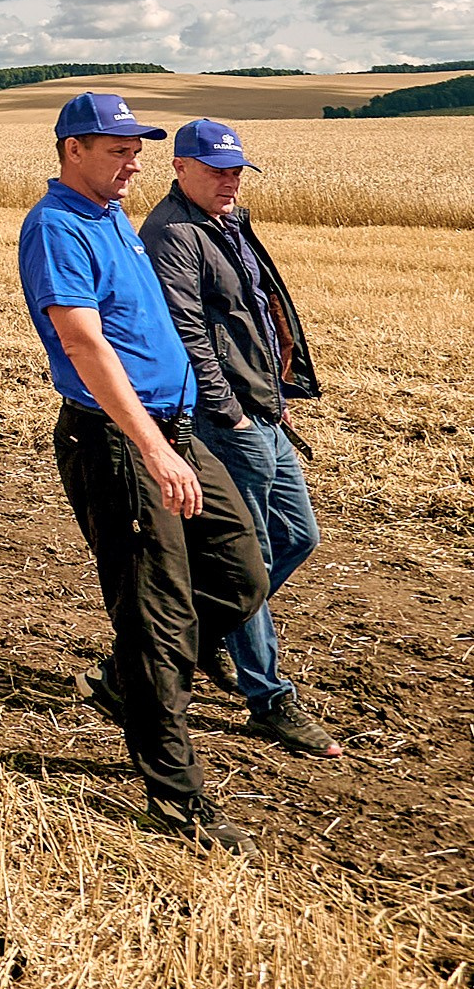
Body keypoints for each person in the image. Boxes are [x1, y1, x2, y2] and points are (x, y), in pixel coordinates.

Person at [18, 90, 267, 848]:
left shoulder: (112, 219)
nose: (133, 164)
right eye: (118, 151)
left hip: (175, 431)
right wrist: (153, 450)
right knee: (156, 617)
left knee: (241, 574)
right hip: (120, 443)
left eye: (136, 152)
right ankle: (176, 798)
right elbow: (84, 344)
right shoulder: (57, 226)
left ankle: (126, 682)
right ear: (73, 150)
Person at [140, 119, 338, 761]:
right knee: (245, 557)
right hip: (230, 422)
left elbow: (260, 316)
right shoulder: (173, 234)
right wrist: (230, 414)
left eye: (235, 171)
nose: (229, 182)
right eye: (217, 171)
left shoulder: (226, 223)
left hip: (264, 412)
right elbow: (187, 332)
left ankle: (198, 631)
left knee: (297, 536)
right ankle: (268, 696)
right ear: (180, 167)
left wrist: (277, 399)